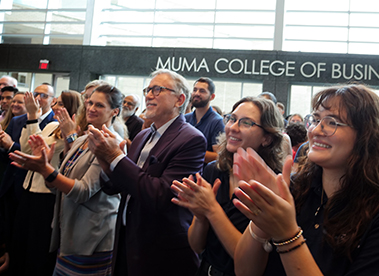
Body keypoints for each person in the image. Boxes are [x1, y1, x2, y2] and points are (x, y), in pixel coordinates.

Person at [232, 84, 379, 276]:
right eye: (315, 119)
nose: (315, 131)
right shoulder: (292, 191)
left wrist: (287, 234)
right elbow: (245, 271)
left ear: (366, 136)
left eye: (332, 122)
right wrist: (263, 216)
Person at [87, 69, 206, 276]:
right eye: (148, 90)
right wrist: (104, 160)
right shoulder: (142, 136)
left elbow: (161, 195)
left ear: (180, 100)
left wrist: (116, 156)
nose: (149, 95)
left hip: (161, 250)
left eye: (158, 90)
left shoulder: (191, 139)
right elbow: (120, 185)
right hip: (127, 238)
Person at [10, 84, 122, 275]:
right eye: (90, 102)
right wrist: (45, 167)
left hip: (91, 240)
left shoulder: (112, 143)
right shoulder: (82, 139)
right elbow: (57, 186)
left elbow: (83, 191)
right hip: (67, 234)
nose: (91, 108)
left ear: (115, 112)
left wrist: (46, 170)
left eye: (100, 106)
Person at [171, 96, 285, 276]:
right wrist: (200, 217)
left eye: (246, 123)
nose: (233, 127)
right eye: (232, 119)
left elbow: (247, 266)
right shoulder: (214, 170)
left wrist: (211, 209)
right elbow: (196, 245)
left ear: (267, 138)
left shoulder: (273, 186)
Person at [9, 90, 81, 276]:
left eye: (61, 105)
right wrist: (32, 118)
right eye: (55, 103)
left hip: (47, 196)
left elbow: (71, 158)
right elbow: (27, 149)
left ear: (72, 109)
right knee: (20, 243)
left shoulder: (76, 131)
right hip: (28, 190)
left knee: (37, 250)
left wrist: (69, 134)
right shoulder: (51, 126)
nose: (56, 108)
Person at [0, 83, 57, 272]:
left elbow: (32, 153)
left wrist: (11, 145)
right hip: (15, 180)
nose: (38, 98)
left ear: (53, 100)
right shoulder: (18, 120)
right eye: (35, 94)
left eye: (44, 95)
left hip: (39, 187)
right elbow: (11, 151)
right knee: (13, 233)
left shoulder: (55, 123)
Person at [185, 77, 224, 164]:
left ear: (212, 97)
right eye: (195, 90)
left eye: (202, 91)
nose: (197, 93)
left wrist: (191, 152)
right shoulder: (185, 119)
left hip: (203, 174)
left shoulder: (217, 122)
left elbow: (219, 156)